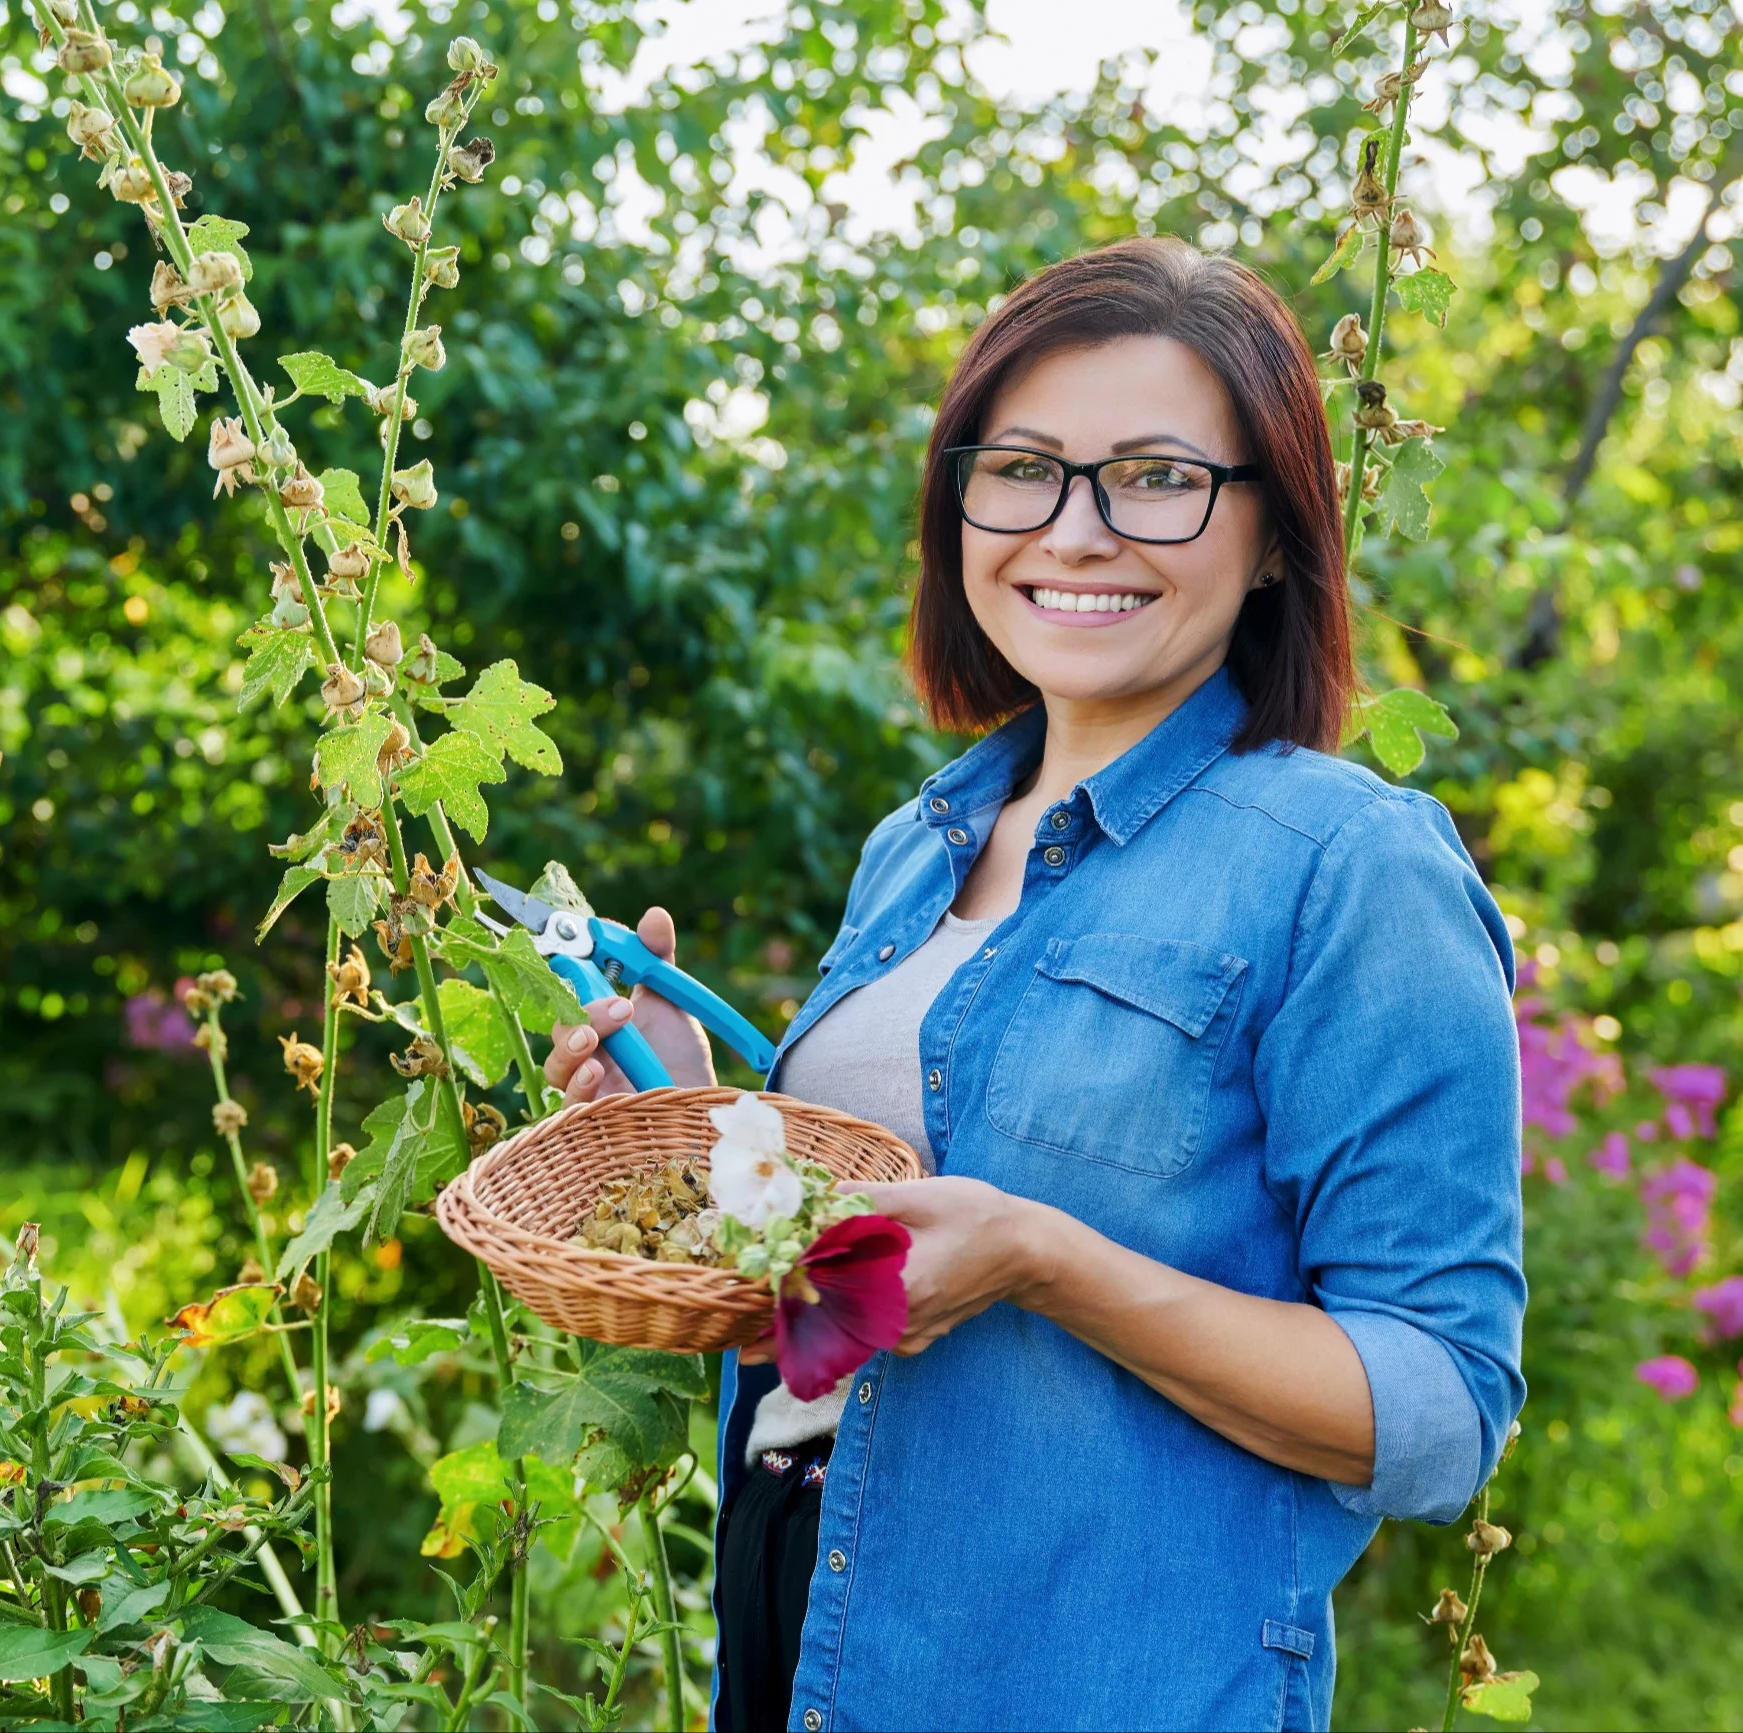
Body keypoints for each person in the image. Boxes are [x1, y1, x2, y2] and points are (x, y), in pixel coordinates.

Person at [543, 237, 1524, 1733]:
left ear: (1271, 534)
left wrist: (1043, 1260)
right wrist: (701, 1127)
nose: (1073, 530)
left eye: (1154, 478)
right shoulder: (917, 845)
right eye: (1019, 468)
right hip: (801, 1605)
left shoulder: (1346, 867)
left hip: (1083, 1673)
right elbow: (850, 1285)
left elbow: (1438, 1411)